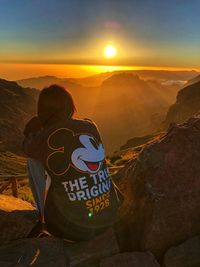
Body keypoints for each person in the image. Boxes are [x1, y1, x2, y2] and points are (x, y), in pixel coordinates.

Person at [23, 84, 124, 242]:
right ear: (70, 106)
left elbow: (26, 146)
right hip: (110, 215)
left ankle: (42, 219)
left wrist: (36, 126)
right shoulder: (90, 126)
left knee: (33, 161)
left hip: (71, 230)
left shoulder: (41, 140)